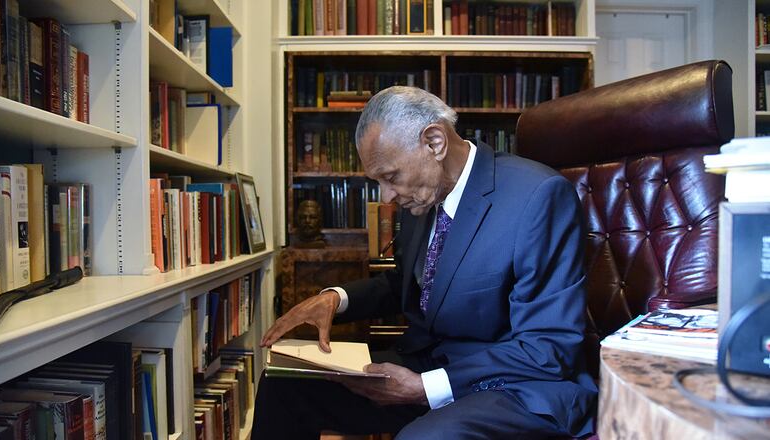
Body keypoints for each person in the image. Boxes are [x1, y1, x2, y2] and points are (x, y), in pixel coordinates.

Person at [253, 86, 597, 439]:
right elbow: (408, 285)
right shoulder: (423, 197)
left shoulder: (538, 195)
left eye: (390, 177)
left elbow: (547, 347)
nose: (386, 196)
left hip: (514, 386)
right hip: (430, 364)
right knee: (284, 385)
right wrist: (335, 298)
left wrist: (425, 387)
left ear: (435, 142)